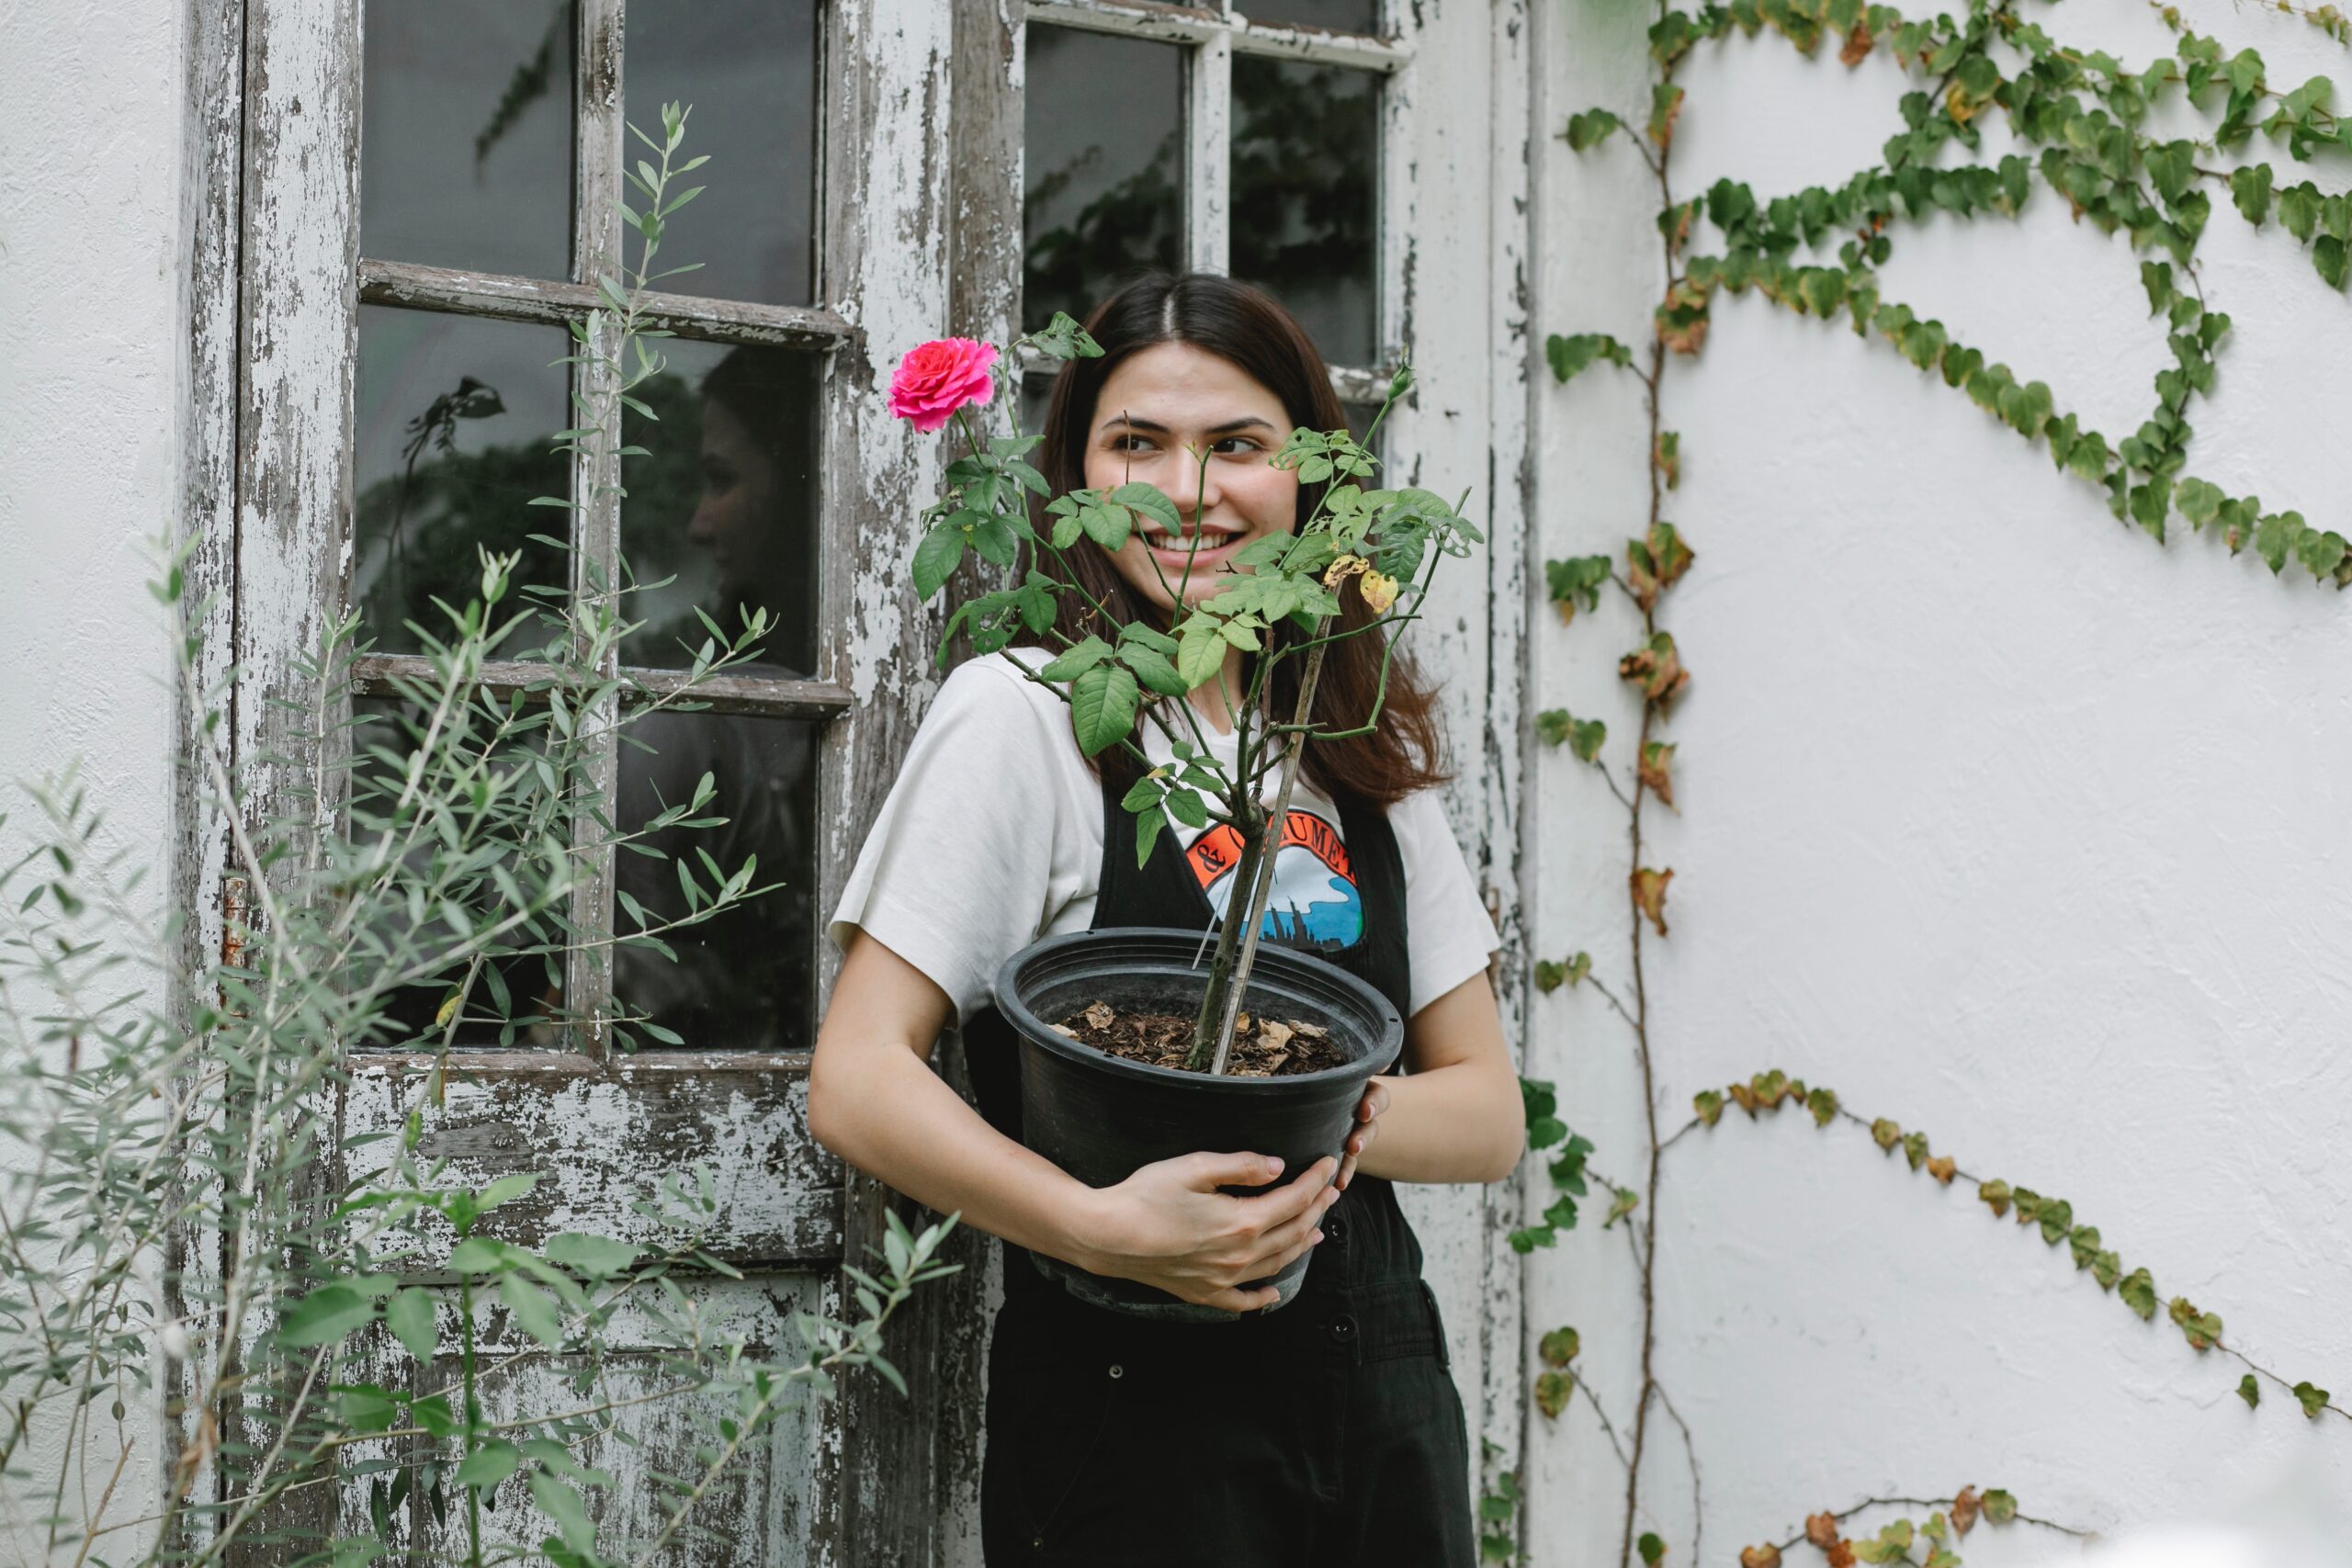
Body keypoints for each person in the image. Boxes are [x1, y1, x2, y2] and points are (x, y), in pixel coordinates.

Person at [808, 272, 1525, 1566]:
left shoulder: (1345, 737)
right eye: (1136, 444)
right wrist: (1101, 1226)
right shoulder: (1031, 712)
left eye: (1238, 446)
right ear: (1076, 472)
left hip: (1382, 1392)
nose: (1188, 493)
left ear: (1309, 478)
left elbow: (1484, 1113)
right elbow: (857, 1080)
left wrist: (1296, 1117)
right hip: (1133, 1409)